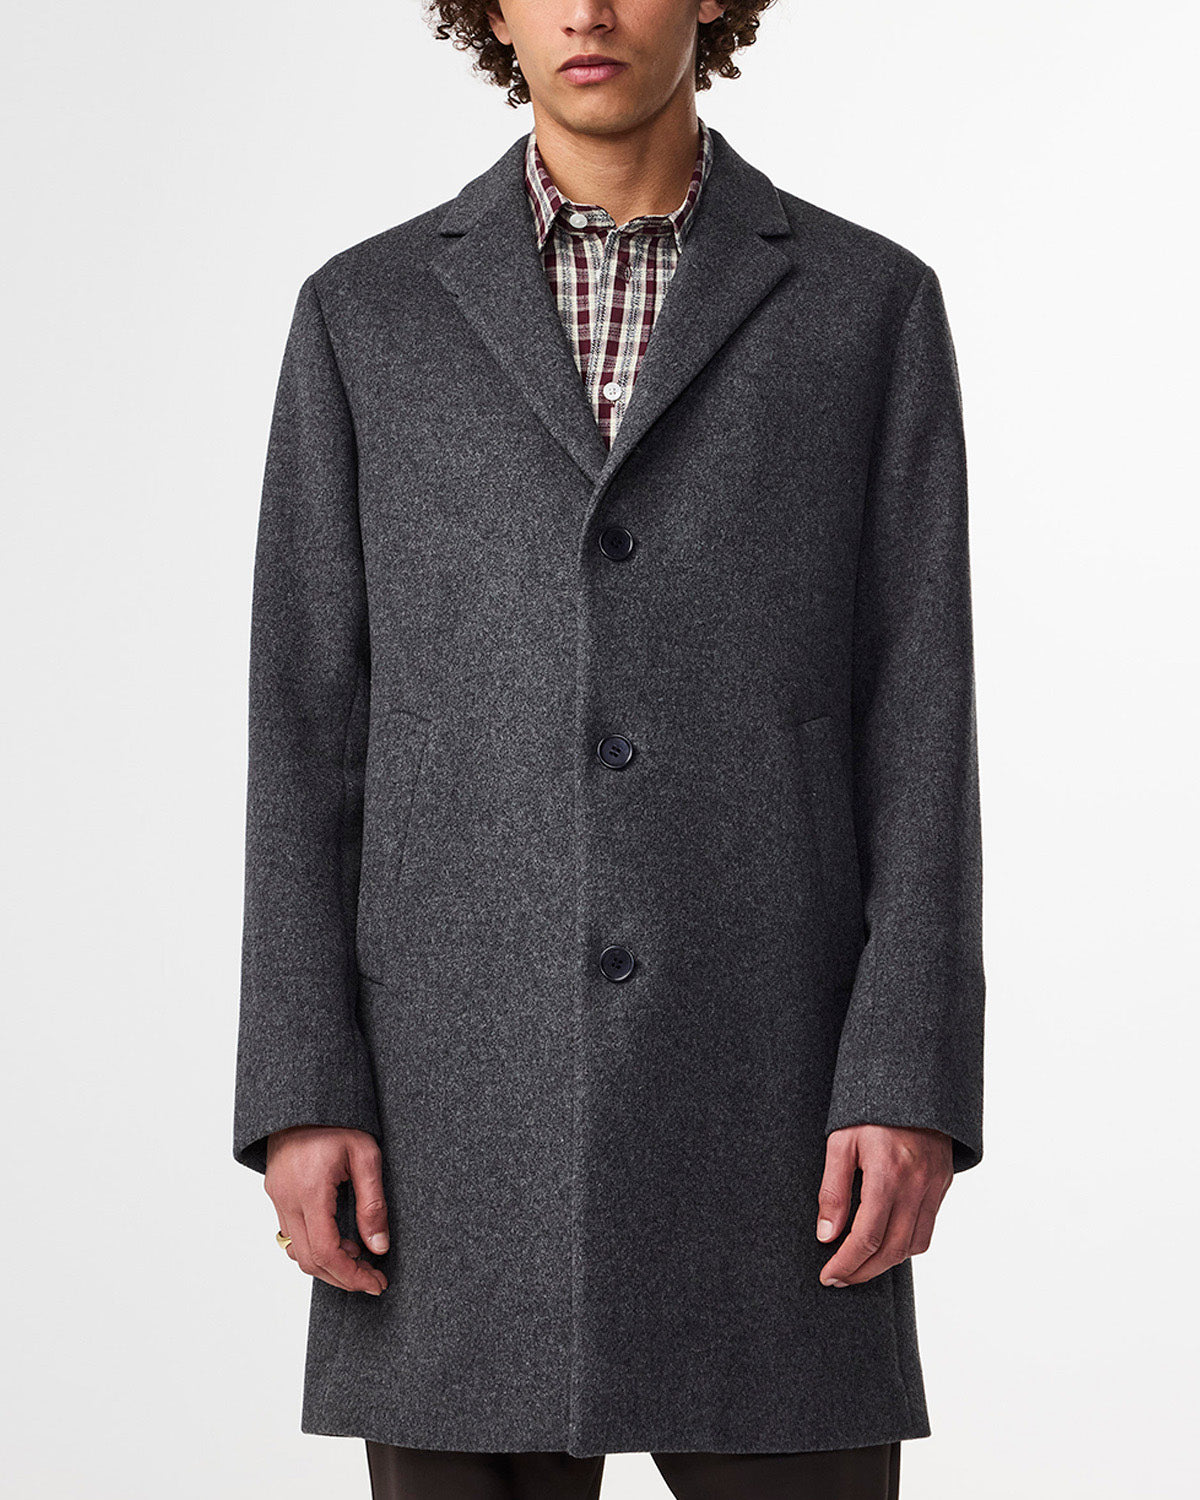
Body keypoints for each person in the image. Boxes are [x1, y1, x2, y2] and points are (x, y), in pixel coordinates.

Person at [232, 2, 986, 1497]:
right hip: (456, 1115)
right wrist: (301, 1085)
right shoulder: (367, 315)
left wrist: (908, 1073)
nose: (586, 10)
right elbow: (306, 726)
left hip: (774, 1094)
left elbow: (921, 719)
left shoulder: (866, 306)